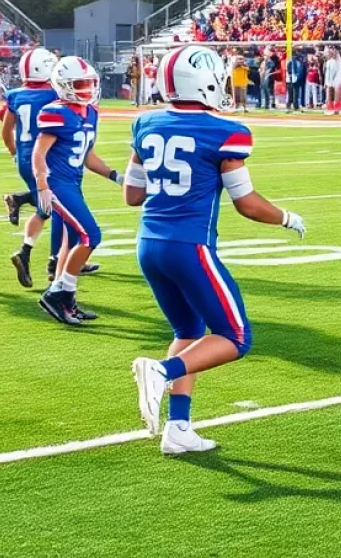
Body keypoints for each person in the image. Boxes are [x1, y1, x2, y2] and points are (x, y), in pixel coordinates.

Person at [127, 45, 306, 455]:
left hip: (149, 244)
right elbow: (247, 203)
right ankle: (161, 370)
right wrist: (285, 217)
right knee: (236, 337)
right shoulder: (225, 132)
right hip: (189, 247)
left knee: (187, 332)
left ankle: (178, 429)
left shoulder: (144, 123)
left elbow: (132, 195)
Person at [34, 57, 120, 325]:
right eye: (79, 84)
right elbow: (39, 153)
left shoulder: (91, 112)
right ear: (62, 85)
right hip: (58, 185)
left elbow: (88, 155)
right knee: (90, 235)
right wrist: (42, 185)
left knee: (70, 242)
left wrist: (115, 175)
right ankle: (59, 293)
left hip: (74, 183)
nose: (85, 88)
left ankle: (64, 301)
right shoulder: (54, 111)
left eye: (88, 83)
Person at [3, 48, 59, 288]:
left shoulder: (15, 95)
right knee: (56, 210)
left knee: (46, 206)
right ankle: (51, 260)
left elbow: (5, 130)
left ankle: (61, 256)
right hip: (47, 159)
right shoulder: (53, 94)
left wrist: (16, 153)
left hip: (24, 158)